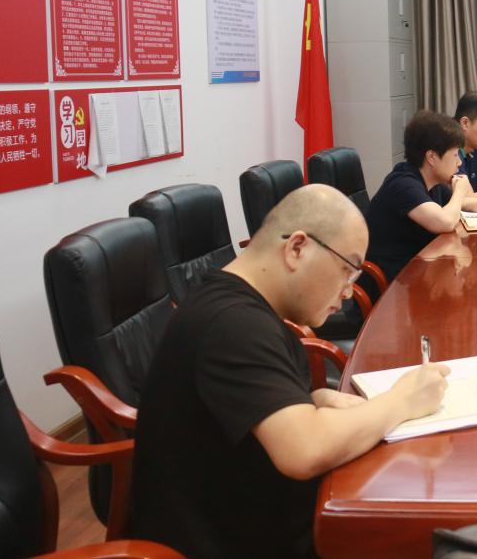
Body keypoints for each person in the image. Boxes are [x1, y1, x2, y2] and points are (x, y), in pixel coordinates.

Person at [129, 184, 450, 559]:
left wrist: (311, 400)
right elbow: (304, 450)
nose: (349, 291)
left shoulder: (238, 306)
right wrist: (402, 400)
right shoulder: (233, 324)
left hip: (269, 516)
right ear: (298, 248)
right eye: (347, 270)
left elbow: (234, 411)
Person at [366, 110, 473, 282]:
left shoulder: (432, 182)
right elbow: (445, 222)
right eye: (454, 155)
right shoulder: (403, 184)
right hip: (391, 283)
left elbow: (463, 204)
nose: (459, 163)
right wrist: (459, 191)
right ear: (431, 157)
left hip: (416, 270)